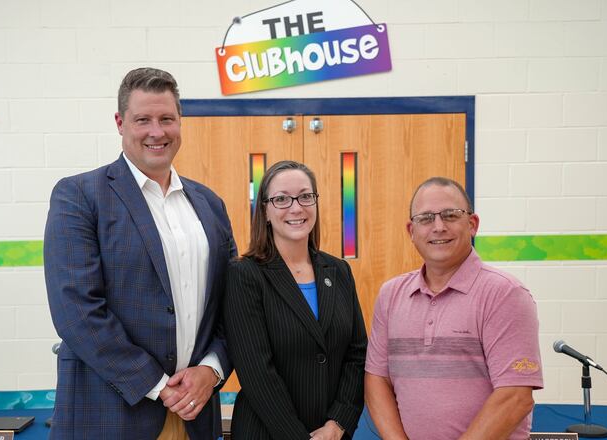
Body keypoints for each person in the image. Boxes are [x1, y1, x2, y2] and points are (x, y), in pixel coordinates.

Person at [44, 67, 236, 440]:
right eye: (143, 120)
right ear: (120, 123)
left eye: (167, 119)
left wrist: (211, 370)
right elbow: (76, 311)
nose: (156, 131)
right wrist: (158, 385)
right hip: (112, 414)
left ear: (180, 121)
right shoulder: (79, 196)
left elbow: (233, 304)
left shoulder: (210, 204)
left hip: (196, 413)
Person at [365, 177, 542, 440]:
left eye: (450, 215)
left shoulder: (504, 294)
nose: (438, 227)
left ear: (472, 224)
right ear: (411, 231)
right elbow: (376, 379)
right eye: (426, 218)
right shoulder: (391, 295)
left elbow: (515, 398)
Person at [224, 160, 368, 440]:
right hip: (266, 433)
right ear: (265, 211)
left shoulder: (338, 271)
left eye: (305, 196)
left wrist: (338, 423)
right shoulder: (245, 275)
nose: (296, 207)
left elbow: (357, 354)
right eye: (281, 199)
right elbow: (257, 373)